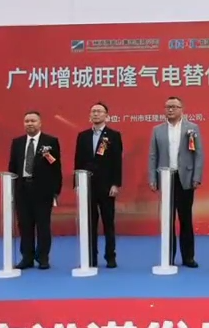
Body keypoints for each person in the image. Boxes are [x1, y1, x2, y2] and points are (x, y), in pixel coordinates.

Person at [148, 95, 204, 268]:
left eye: (174, 106)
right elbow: (153, 155)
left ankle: (188, 257)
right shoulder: (157, 130)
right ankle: (168, 257)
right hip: (166, 178)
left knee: (185, 218)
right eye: (168, 107)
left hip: (185, 178)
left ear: (181, 109)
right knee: (167, 219)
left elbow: (198, 154)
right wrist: (153, 178)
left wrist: (196, 177)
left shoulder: (192, 128)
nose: (170, 109)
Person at [7, 110, 62, 270]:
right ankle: (27, 257)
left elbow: (56, 167)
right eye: (27, 121)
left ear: (40, 123)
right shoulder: (17, 142)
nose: (30, 124)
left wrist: (55, 190)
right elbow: (12, 166)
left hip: (43, 191)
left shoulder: (50, 141)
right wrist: (11, 188)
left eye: (33, 121)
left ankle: (43, 257)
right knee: (24, 225)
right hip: (22, 189)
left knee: (43, 225)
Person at [73, 102, 123, 269]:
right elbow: (78, 160)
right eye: (93, 111)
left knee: (108, 223)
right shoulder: (83, 136)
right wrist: (77, 183)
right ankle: (90, 257)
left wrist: (115, 184)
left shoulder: (114, 135)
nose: (96, 114)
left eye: (99, 111)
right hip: (87, 185)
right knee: (89, 223)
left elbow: (117, 162)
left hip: (106, 186)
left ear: (106, 116)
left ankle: (110, 257)